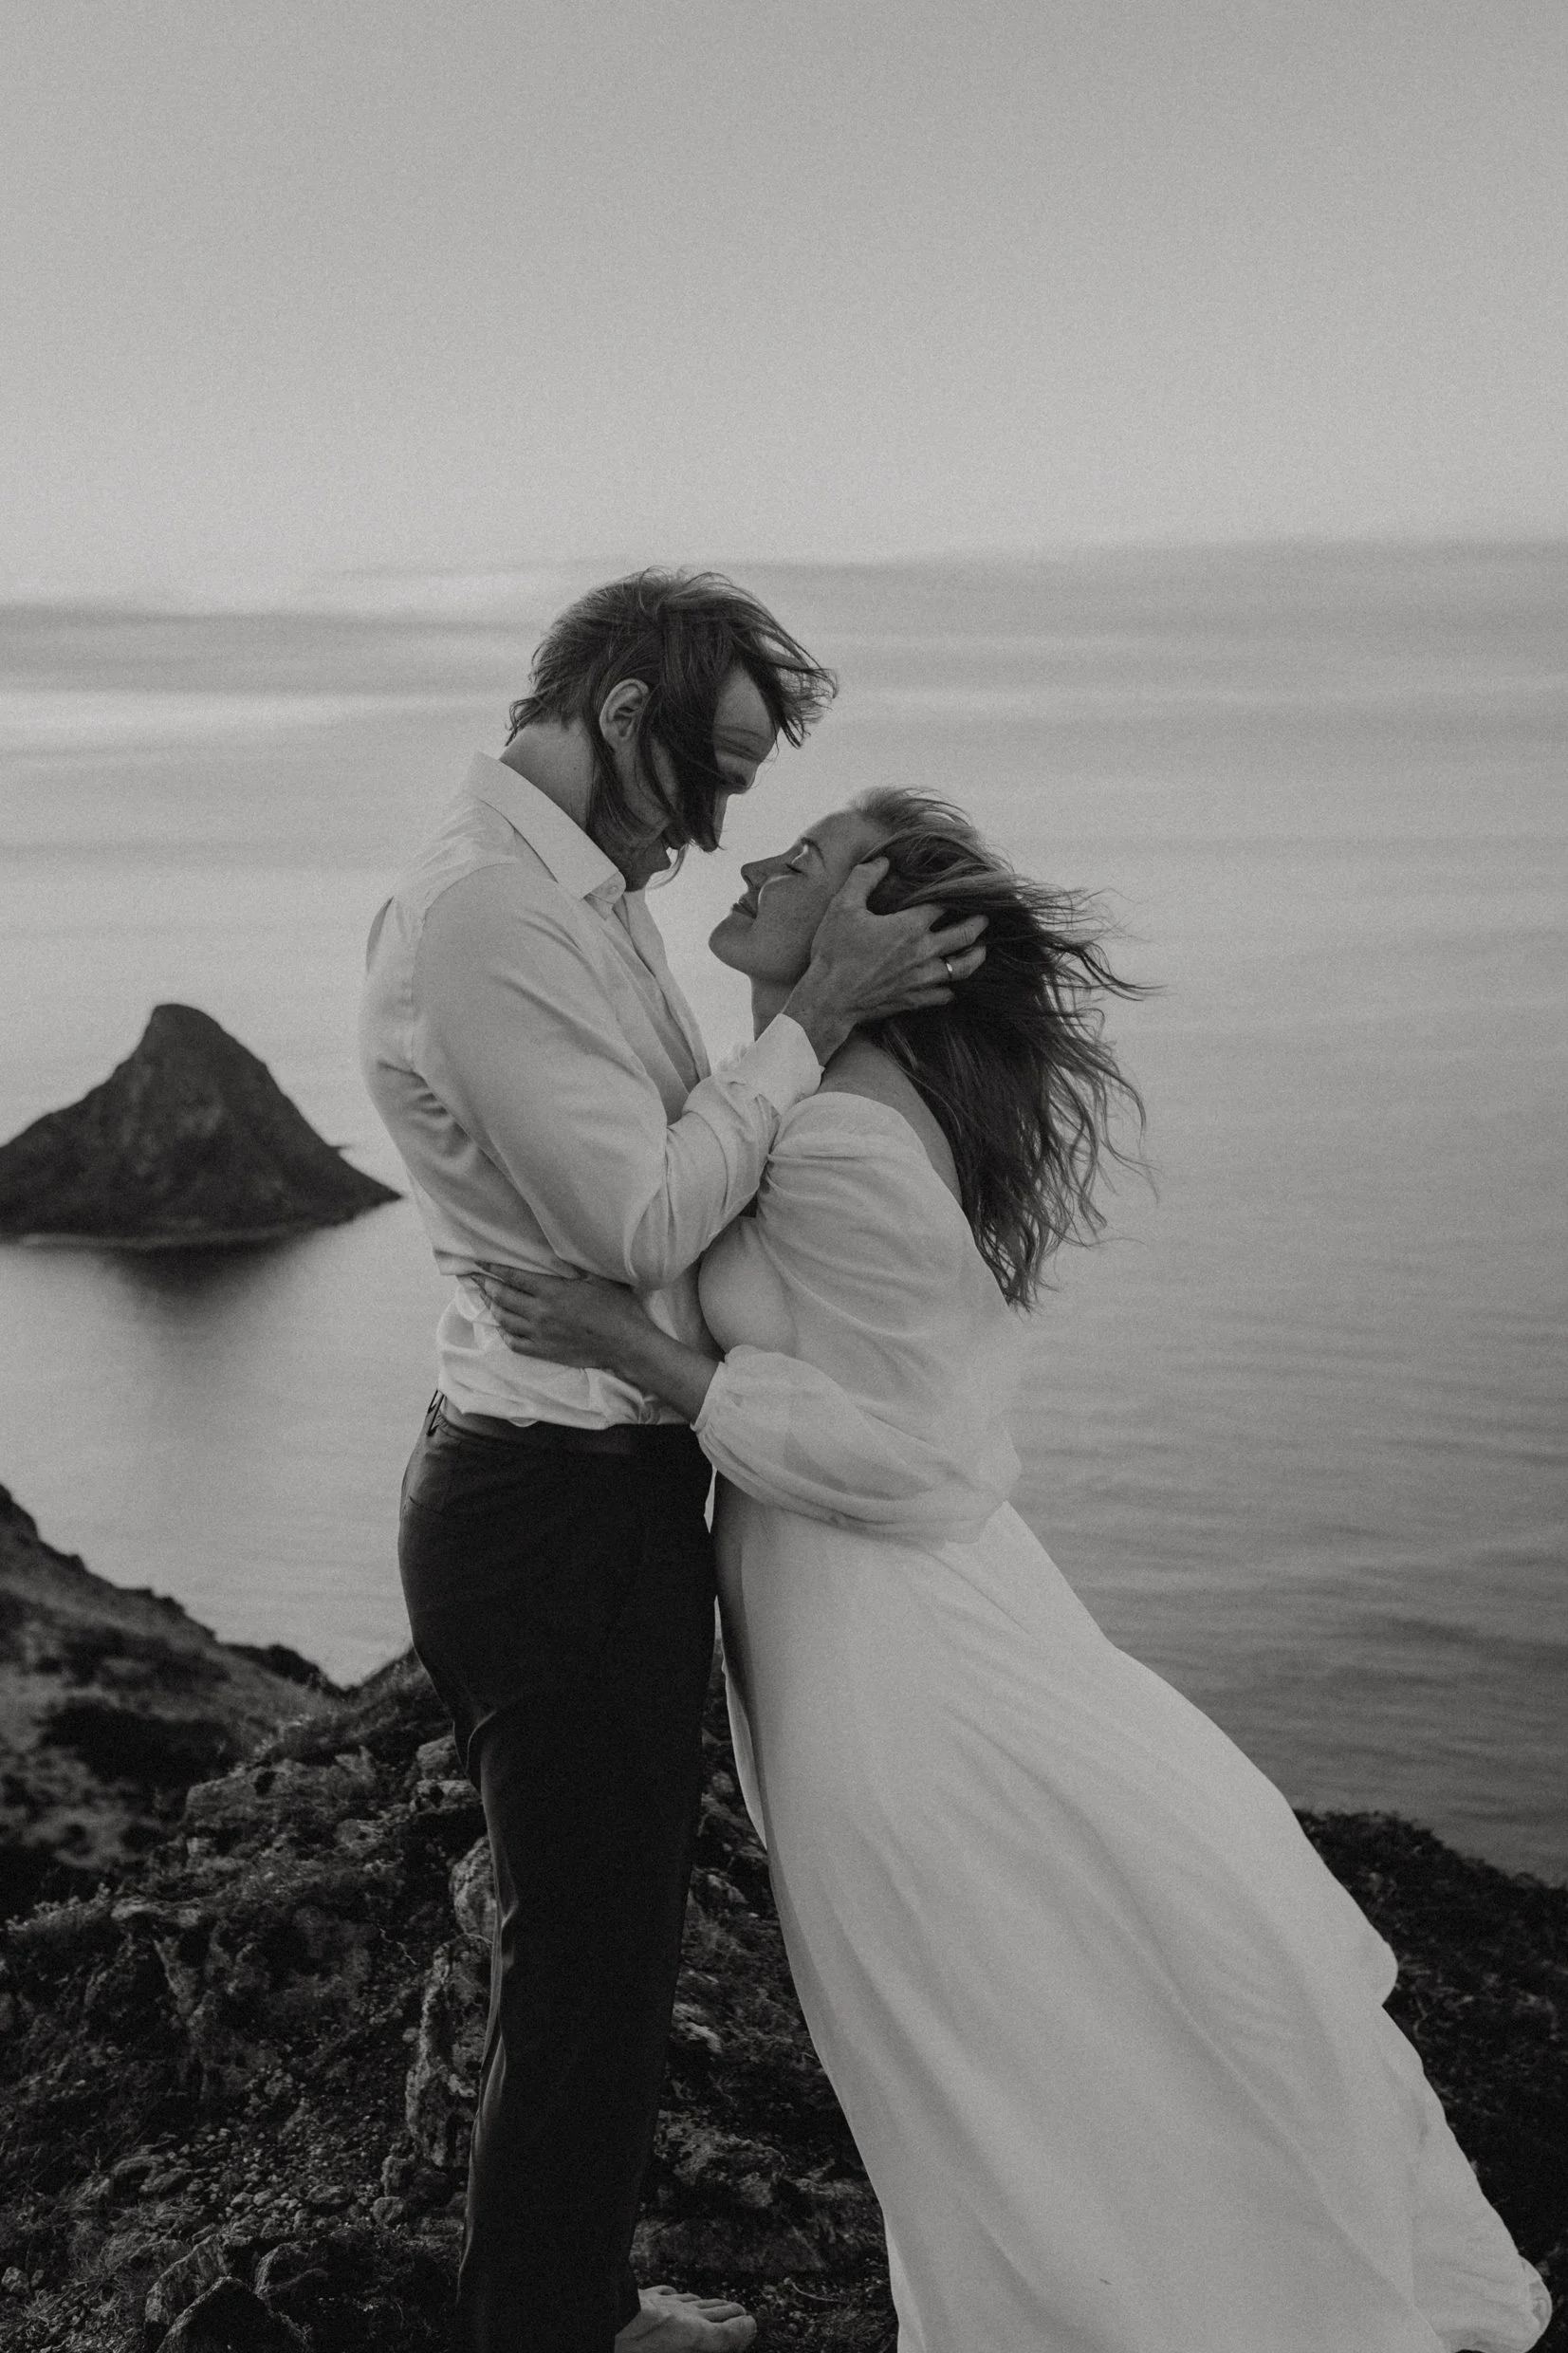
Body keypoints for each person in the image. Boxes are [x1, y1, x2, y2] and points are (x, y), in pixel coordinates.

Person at [480, 788, 1551, 2353]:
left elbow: (920, 1458)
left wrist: (635, 1355)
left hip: (893, 1666)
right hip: (864, 1633)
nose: (759, 860)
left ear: (883, 931)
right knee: (985, 2027)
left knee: (971, 2029)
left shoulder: (840, 1136)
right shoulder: (815, 1095)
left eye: (808, 860)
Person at [359, 577, 987, 2353]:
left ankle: (565, 2302)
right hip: (553, 1508)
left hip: (585, 1488)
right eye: (711, 776)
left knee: (606, 1950)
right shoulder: (493, 914)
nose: (714, 834)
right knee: (584, 1960)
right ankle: (546, 2329)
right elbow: (639, 1222)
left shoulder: (574, 895)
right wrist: (813, 1021)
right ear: (624, 716)